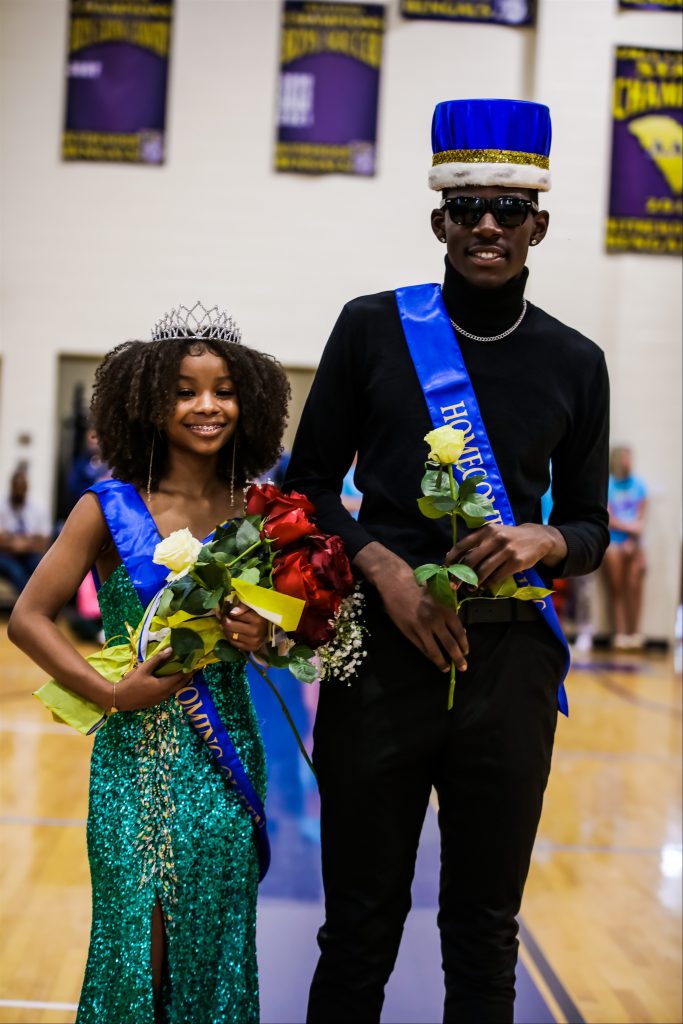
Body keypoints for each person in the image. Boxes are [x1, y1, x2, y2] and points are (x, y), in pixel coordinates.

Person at [285, 98, 610, 1023]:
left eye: (508, 208)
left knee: (483, 931)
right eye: (466, 206)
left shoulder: (575, 360)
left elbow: (589, 525)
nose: (486, 224)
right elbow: (306, 489)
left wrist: (546, 538)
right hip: (380, 661)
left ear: (537, 225)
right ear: (439, 222)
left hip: (508, 667)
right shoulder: (369, 327)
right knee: (358, 928)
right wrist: (384, 570)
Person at [8, 301, 291, 1024]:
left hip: (225, 752)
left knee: (215, 947)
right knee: (139, 942)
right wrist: (109, 695)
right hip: (133, 760)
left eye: (224, 390)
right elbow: (28, 618)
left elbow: (287, 637)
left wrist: (266, 637)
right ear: (148, 404)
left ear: (250, 402)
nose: (207, 406)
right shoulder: (107, 507)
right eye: (184, 392)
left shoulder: (259, 513)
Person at [602, 444, 647, 649]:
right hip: (613, 542)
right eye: (625, 458)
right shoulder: (608, 485)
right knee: (617, 587)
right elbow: (607, 517)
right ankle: (620, 634)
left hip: (634, 542)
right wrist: (630, 528)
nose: (628, 462)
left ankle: (635, 633)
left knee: (634, 585)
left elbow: (641, 517)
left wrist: (632, 539)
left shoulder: (639, 486)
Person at [0, 466, 52, 595]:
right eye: (15, 489)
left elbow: (44, 541)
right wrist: (29, 540)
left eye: (21, 489)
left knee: (42, 569)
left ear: (26, 488)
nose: (18, 493)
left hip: (30, 553)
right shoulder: (2, 505)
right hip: (6, 554)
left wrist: (16, 541)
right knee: (16, 571)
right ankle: (30, 601)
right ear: (11, 487)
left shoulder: (38, 507)